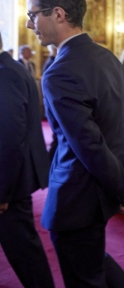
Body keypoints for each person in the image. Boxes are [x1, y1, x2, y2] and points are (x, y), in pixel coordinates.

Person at [25, 0, 124, 287]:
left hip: (76, 199)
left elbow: (88, 144)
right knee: (93, 263)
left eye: (33, 14)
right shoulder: (106, 56)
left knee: (85, 276)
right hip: (101, 191)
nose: (29, 24)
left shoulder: (59, 72)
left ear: (57, 14)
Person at [0, 32, 55, 288]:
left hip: (9, 183)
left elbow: (9, 137)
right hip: (11, 179)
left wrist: (3, 192)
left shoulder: (5, 73)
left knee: (24, 252)